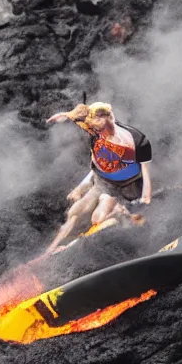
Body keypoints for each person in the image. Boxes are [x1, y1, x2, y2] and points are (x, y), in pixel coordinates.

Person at [42, 101, 154, 254]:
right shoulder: (96, 134)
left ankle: (69, 249)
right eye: (97, 117)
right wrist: (80, 189)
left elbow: (145, 173)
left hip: (125, 189)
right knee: (75, 212)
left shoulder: (135, 141)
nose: (102, 122)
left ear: (111, 117)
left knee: (99, 219)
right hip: (102, 184)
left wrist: (145, 198)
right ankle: (49, 251)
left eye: (105, 116)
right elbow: (96, 169)